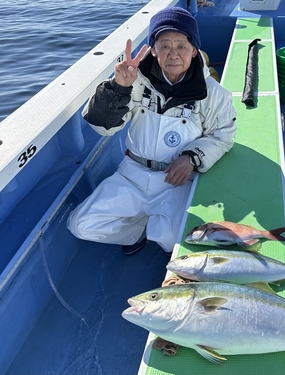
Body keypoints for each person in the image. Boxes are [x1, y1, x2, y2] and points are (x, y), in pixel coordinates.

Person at [67, 7, 237, 256]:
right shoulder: (133, 80)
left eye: (181, 45)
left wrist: (191, 158)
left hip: (176, 182)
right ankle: (137, 233)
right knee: (81, 225)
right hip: (131, 175)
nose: (173, 54)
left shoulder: (214, 94)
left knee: (170, 239)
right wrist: (118, 88)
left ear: (194, 49)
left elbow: (223, 135)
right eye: (164, 45)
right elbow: (102, 127)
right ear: (153, 50)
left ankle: (155, 227)